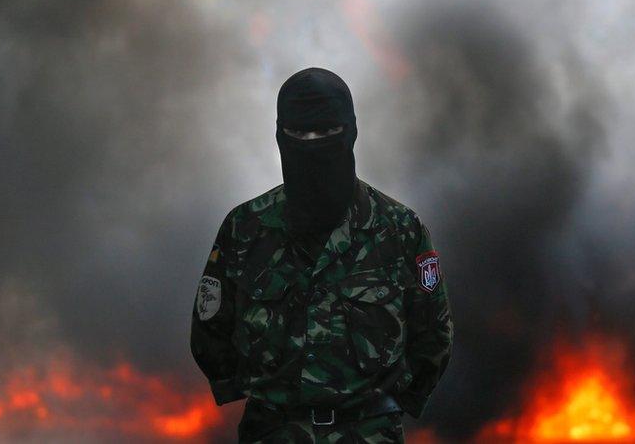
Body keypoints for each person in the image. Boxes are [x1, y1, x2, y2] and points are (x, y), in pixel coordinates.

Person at [191, 67, 453, 443]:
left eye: (328, 133)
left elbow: (434, 333)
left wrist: (392, 401)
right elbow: (210, 330)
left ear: (351, 131)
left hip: (368, 433)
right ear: (280, 136)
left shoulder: (399, 230)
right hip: (274, 432)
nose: (312, 144)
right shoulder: (246, 228)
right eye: (298, 134)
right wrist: (252, 391)